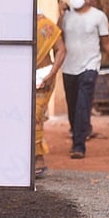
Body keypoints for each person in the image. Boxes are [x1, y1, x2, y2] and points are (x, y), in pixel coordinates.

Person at [58, 0, 109, 159]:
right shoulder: (67, 16)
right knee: (72, 107)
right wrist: (61, 15)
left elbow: (107, 44)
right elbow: (57, 37)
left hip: (90, 66)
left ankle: (79, 145)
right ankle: (78, 131)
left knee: (83, 104)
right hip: (69, 67)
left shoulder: (98, 16)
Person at [34, 11, 66, 179]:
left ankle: (38, 158)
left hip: (43, 76)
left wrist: (51, 74)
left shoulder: (44, 24)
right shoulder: (14, 23)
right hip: (20, 77)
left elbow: (61, 49)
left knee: (35, 115)